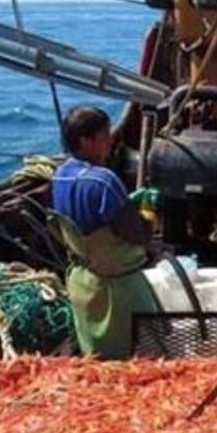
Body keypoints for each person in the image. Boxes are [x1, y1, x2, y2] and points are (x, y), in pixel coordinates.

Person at [48, 106, 159, 360]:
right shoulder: (104, 180)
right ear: (85, 141)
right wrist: (148, 211)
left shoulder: (59, 175)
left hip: (84, 284)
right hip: (118, 290)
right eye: (105, 135)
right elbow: (139, 235)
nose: (111, 140)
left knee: (95, 359)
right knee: (137, 360)